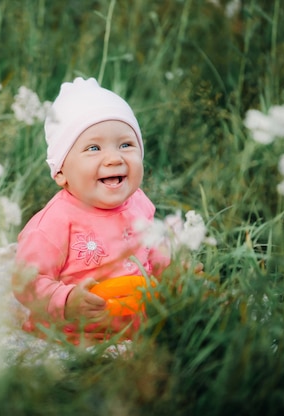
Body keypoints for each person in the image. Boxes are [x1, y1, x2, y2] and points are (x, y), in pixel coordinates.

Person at [12, 77, 170, 346]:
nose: (114, 158)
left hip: (139, 327)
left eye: (125, 145)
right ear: (61, 172)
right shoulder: (54, 223)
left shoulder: (139, 202)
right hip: (76, 336)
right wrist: (66, 301)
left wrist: (175, 274)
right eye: (93, 148)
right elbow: (26, 281)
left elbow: (155, 249)